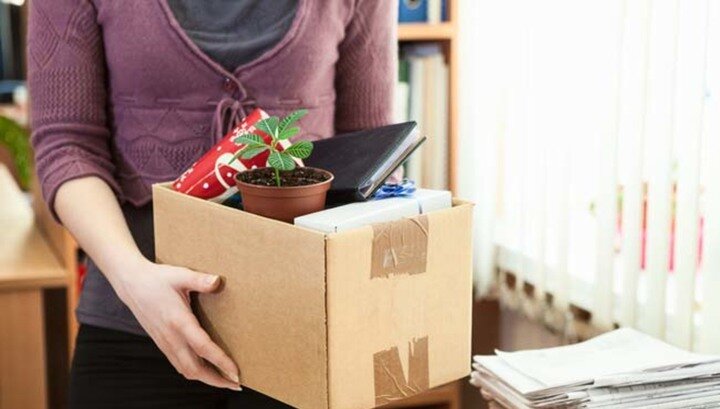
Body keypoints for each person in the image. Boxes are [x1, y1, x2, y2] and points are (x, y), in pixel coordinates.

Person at [28, 0, 396, 407]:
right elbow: (67, 146)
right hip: (134, 321)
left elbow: (375, 151)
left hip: (305, 330)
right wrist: (133, 279)